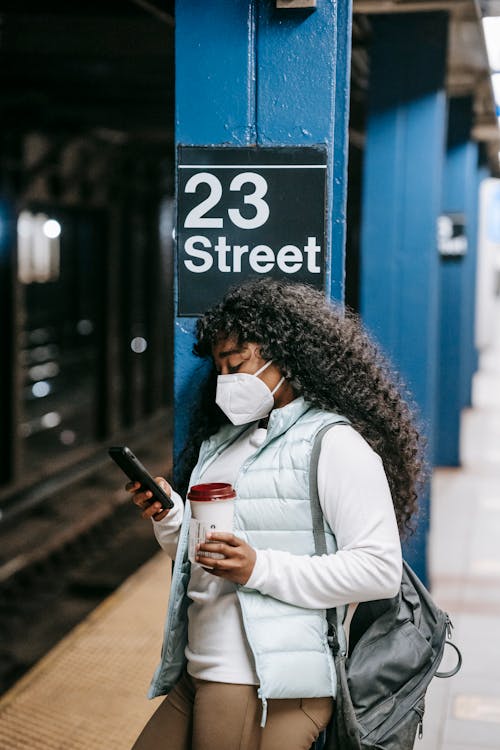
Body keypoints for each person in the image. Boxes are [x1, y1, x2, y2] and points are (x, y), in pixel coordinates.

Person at [128, 279, 424, 750]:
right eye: (220, 367)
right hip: (202, 663)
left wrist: (258, 568)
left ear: (286, 353)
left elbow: (379, 570)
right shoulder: (225, 442)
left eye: (238, 362)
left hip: (263, 680)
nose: (227, 379)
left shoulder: (334, 445)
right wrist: (170, 520)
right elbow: (208, 557)